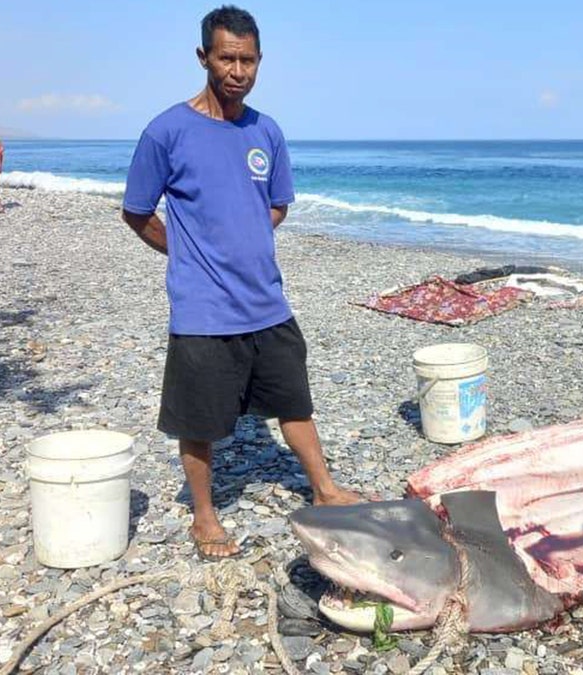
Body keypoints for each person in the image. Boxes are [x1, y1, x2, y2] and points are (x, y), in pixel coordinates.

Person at [121, 5, 361, 561]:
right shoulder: (166, 132)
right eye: (226, 57)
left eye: (247, 60)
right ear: (203, 56)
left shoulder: (266, 131)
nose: (237, 70)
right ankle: (204, 516)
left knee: (293, 400)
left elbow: (275, 206)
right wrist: (188, 251)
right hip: (202, 308)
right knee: (198, 418)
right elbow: (136, 212)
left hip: (267, 301)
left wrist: (240, 239)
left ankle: (324, 489)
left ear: (259, 62)